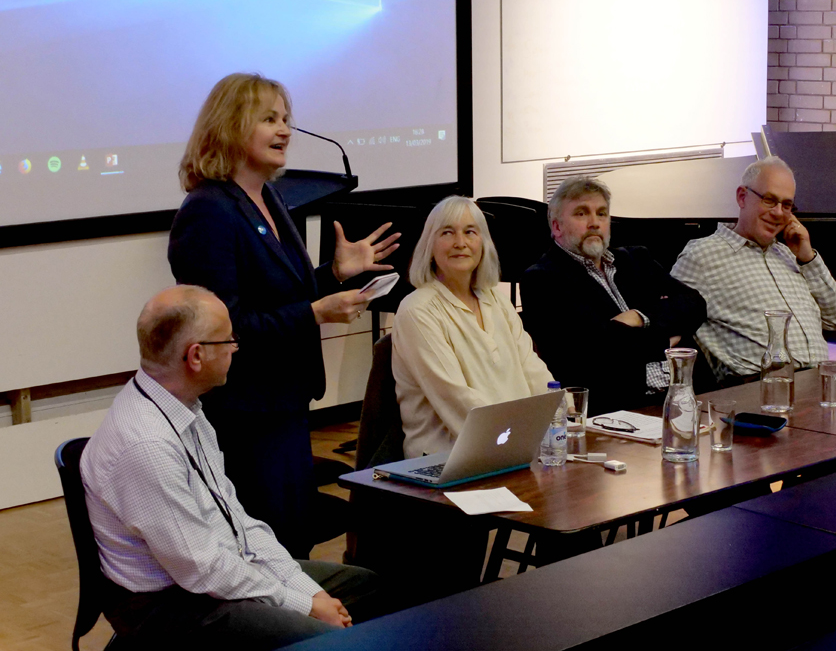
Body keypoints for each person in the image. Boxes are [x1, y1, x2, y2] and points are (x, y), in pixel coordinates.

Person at [168, 73, 399, 558]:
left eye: (286, 119)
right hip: (245, 411)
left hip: (285, 401)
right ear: (231, 125)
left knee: (294, 537)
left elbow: (277, 294)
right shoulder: (208, 211)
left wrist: (334, 274)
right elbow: (225, 329)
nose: (285, 130)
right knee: (271, 547)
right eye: (269, 119)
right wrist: (314, 313)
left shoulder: (269, 197)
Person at [81, 286, 386, 650]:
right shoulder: (147, 445)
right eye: (228, 339)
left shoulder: (184, 407)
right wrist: (304, 605)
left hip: (210, 574)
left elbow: (236, 522)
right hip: (169, 607)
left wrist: (309, 593)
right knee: (330, 642)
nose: (235, 347)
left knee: (366, 588)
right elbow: (203, 570)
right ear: (196, 356)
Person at [520, 176, 708, 412]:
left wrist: (639, 318)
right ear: (557, 227)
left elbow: (694, 305)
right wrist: (667, 339)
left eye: (601, 213)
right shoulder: (542, 279)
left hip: (694, 392)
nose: (594, 223)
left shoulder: (637, 259)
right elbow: (594, 352)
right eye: (581, 213)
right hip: (624, 409)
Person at [392, 195, 556, 458]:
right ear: (429, 245)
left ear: (483, 243)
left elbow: (532, 370)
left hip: (515, 446)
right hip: (448, 458)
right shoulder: (417, 310)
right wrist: (524, 437)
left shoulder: (496, 301)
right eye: (447, 232)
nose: (460, 243)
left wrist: (562, 417)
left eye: (470, 232)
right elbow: (456, 400)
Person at [671, 156, 836, 377]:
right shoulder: (702, 256)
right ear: (742, 197)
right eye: (769, 200)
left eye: (786, 205)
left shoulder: (790, 254)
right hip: (759, 386)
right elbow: (666, 323)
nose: (778, 213)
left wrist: (808, 259)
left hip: (819, 379)